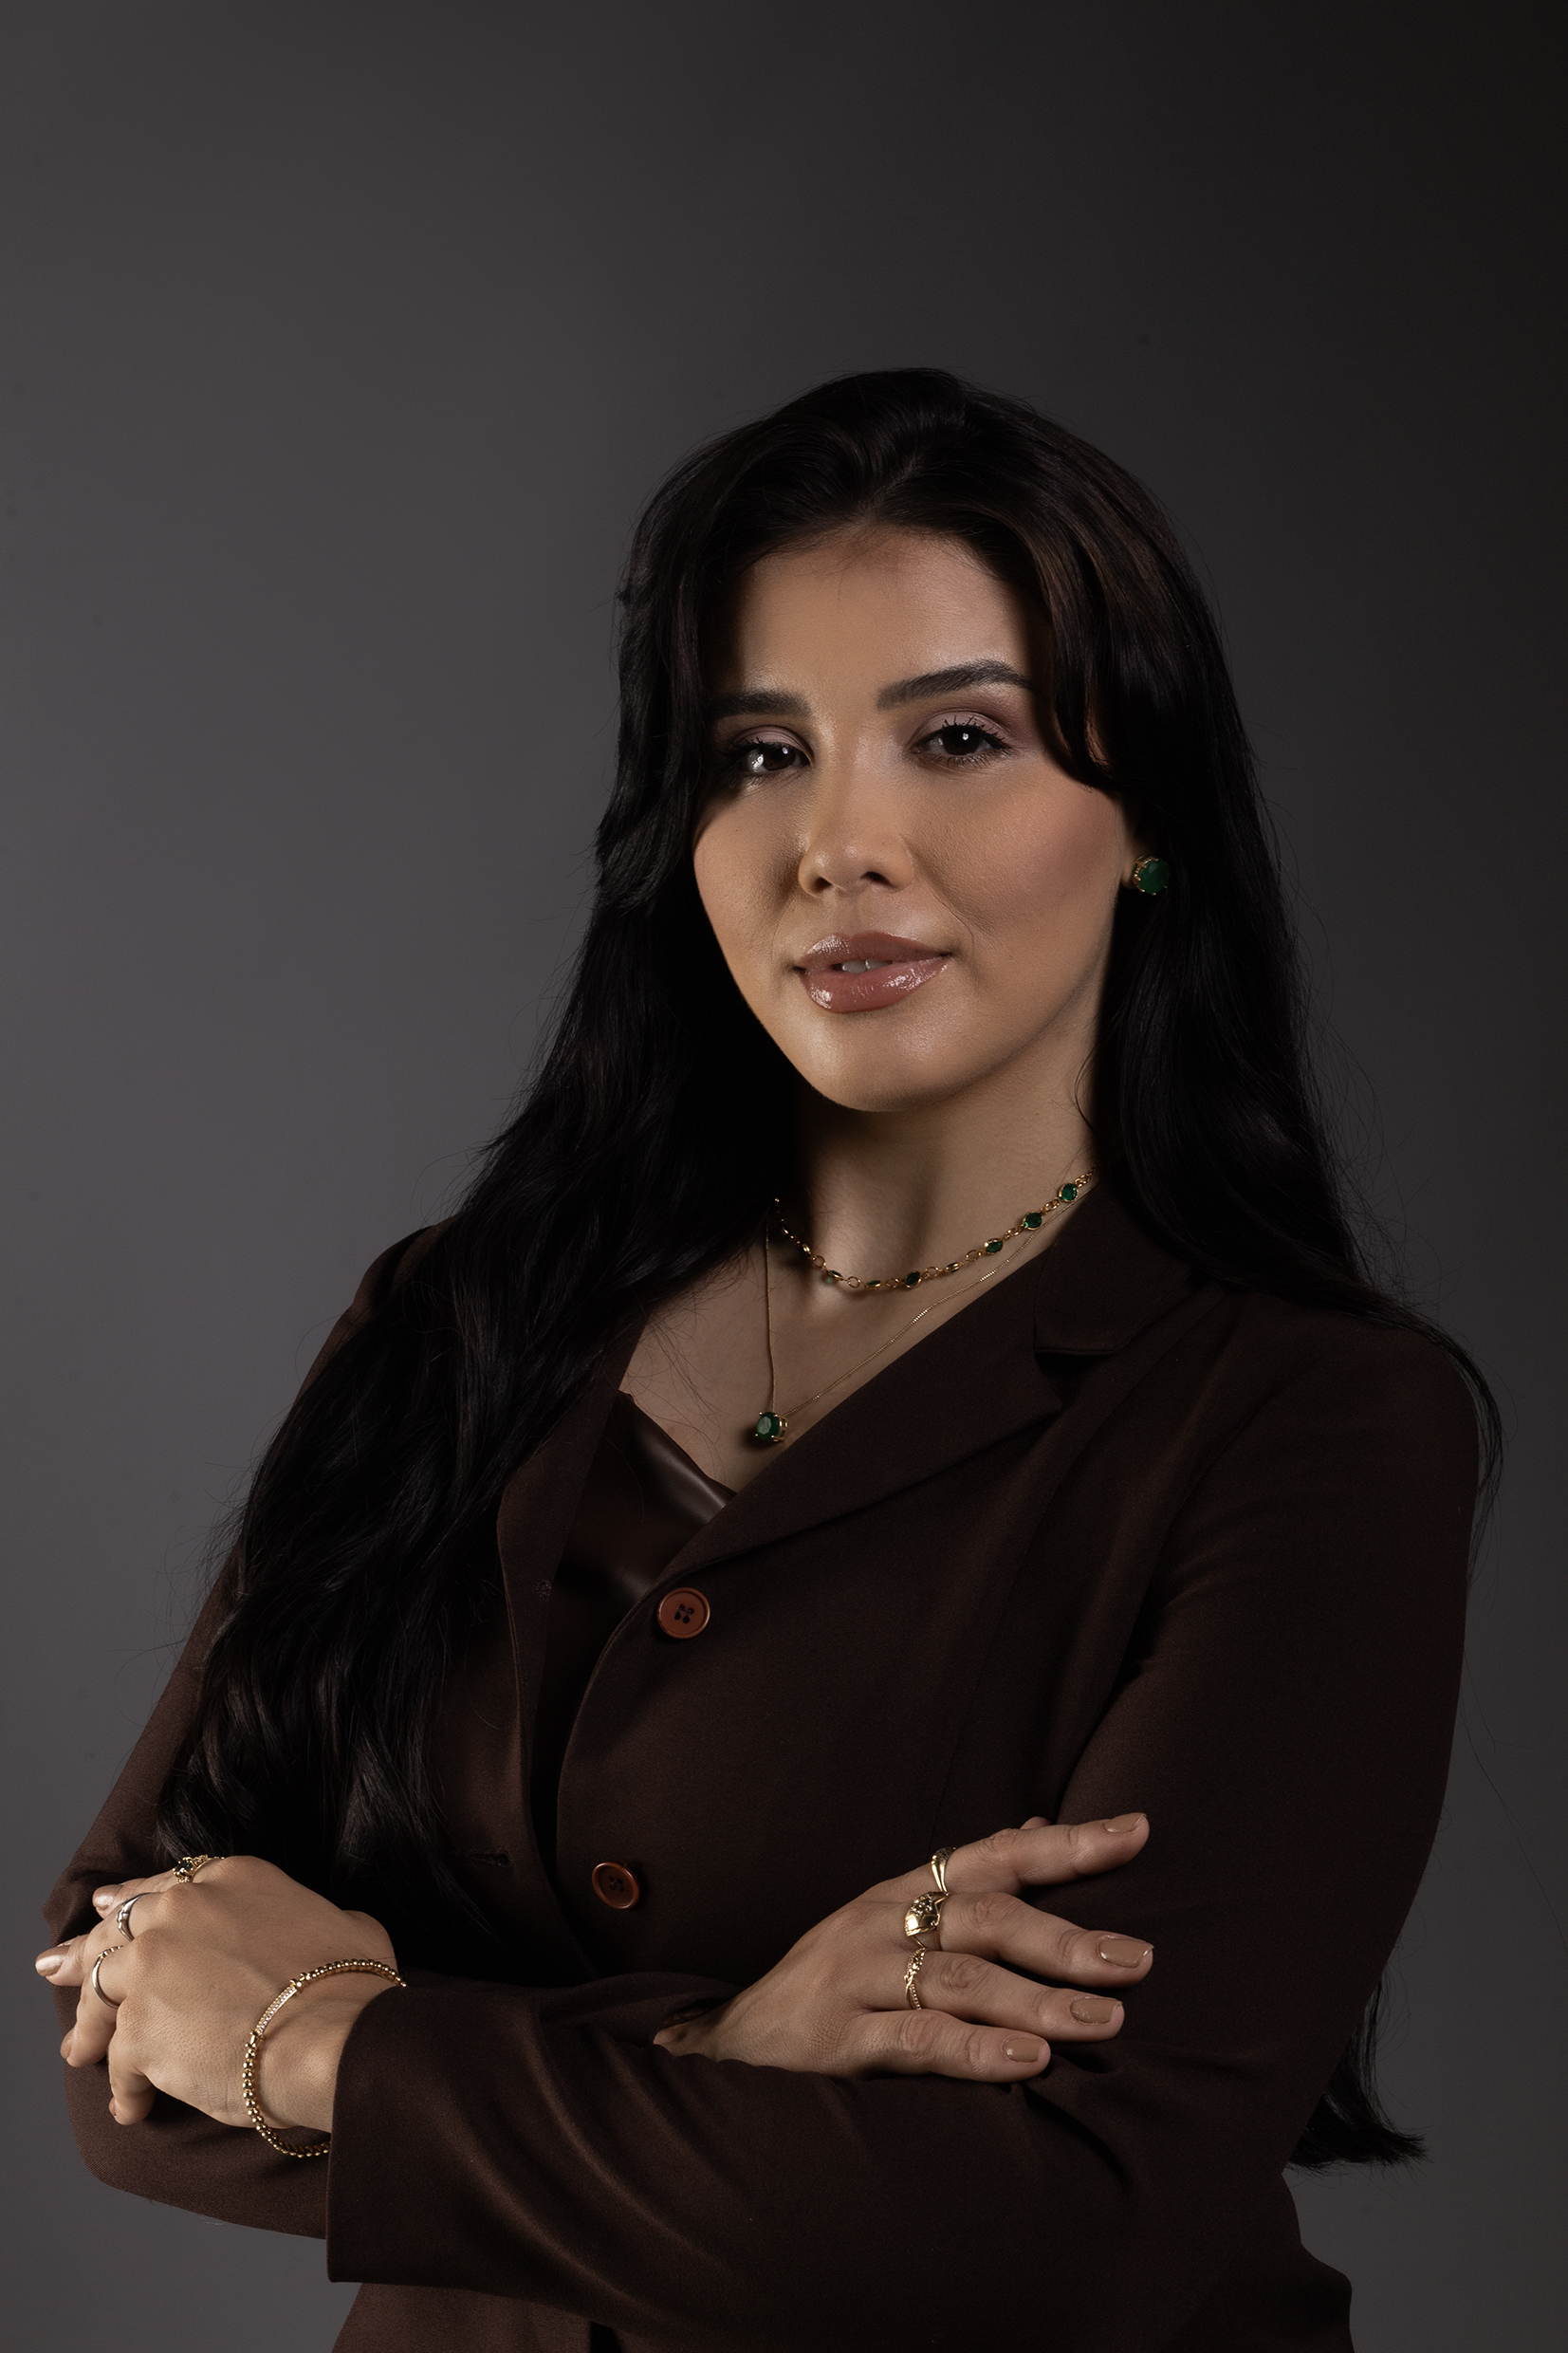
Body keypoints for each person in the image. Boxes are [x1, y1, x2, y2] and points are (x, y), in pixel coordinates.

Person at [36, 370, 1493, 2353]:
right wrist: (723, 2051)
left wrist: (322, 2047)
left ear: (1145, 817)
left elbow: (1069, 2226)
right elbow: (119, 2021)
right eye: (759, 752)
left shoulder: (1306, 1420)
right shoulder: (457, 1323)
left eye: (956, 738)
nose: (837, 844)